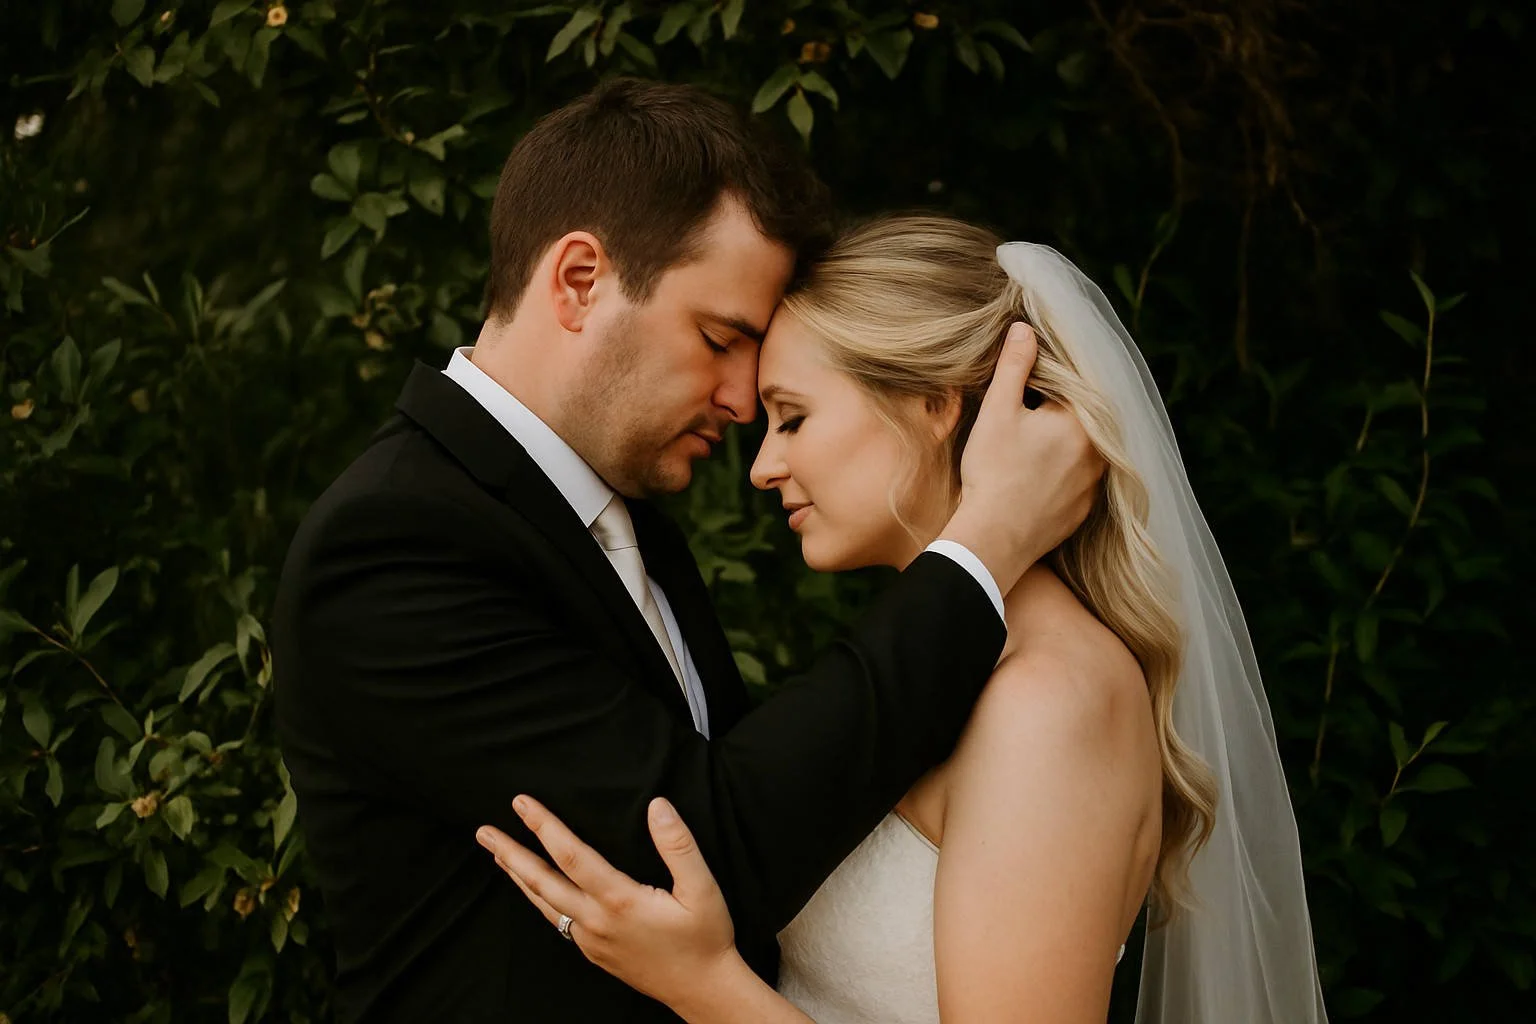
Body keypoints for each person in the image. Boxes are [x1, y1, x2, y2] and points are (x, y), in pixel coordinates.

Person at [271, 81, 1102, 1022]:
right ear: (580, 281)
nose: (746, 404)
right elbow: (699, 849)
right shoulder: (391, 546)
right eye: (719, 338)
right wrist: (984, 545)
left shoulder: (621, 519)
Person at [476, 216, 1332, 1024]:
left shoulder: (1052, 701)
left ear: (934, 404)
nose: (764, 467)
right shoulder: (954, 669)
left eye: (795, 418)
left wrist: (705, 986)